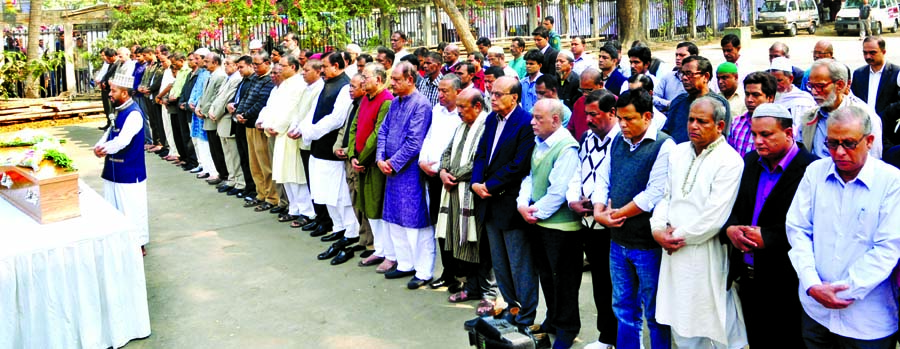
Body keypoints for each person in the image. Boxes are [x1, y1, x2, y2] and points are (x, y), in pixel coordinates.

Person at [787, 105, 900, 349]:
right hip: (816, 312)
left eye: (849, 143)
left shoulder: (891, 182)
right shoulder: (815, 172)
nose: (839, 152)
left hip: (867, 319)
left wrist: (841, 292)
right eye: (831, 143)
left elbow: (888, 248)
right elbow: (798, 230)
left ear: (869, 141)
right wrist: (812, 284)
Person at [650, 96, 748, 349]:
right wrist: (657, 229)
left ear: (719, 125)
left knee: (712, 313)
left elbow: (715, 216)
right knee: (680, 313)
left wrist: (676, 237)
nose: (693, 125)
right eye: (691, 119)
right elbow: (666, 196)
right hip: (672, 249)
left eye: (701, 121)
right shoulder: (678, 152)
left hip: (705, 250)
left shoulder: (730, 160)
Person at [721, 103, 817, 349]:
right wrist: (731, 229)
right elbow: (735, 208)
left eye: (766, 134)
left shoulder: (811, 169)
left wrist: (769, 237)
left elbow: (816, 227)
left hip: (787, 282)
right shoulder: (751, 161)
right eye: (754, 134)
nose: (758, 141)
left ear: (789, 133)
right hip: (750, 279)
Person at [590, 89, 674, 349]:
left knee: (655, 312)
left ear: (647, 116)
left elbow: (654, 193)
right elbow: (604, 177)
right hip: (618, 242)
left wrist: (616, 214)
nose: (623, 124)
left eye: (629, 119)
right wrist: (598, 210)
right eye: (620, 118)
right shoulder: (618, 141)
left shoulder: (664, 145)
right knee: (623, 308)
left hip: (647, 244)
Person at [471, 76, 537, 327]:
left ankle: (527, 314)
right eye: (492, 93)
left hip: (509, 202)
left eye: (499, 94)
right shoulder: (490, 119)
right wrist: (477, 182)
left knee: (519, 263)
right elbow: (481, 154)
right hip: (487, 201)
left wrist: (490, 185)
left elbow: (518, 165)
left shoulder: (525, 123)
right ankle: (511, 308)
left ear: (515, 97)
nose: (493, 97)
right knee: (500, 263)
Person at [517, 98, 581, 349]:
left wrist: (535, 212)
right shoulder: (540, 143)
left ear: (555, 120)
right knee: (547, 277)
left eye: (538, 118)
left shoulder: (566, 148)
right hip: (541, 223)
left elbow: (559, 192)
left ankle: (567, 328)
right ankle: (552, 320)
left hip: (562, 229)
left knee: (564, 281)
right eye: (533, 117)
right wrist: (523, 205)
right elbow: (530, 178)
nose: (532, 122)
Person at [376, 62, 435, 289]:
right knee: (394, 220)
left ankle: (423, 271)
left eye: (397, 80)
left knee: (415, 222)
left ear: (410, 79)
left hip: (409, 173)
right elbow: (383, 130)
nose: (393, 84)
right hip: (391, 170)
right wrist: (381, 158)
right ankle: (404, 263)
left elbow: (414, 143)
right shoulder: (395, 103)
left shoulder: (421, 105)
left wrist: (393, 162)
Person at [567, 89, 619, 349]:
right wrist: (572, 199)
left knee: (618, 286)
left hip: (612, 223)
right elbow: (579, 170)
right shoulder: (587, 137)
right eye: (586, 114)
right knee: (600, 283)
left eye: (594, 114)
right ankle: (606, 337)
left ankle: (624, 339)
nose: (587, 120)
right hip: (588, 223)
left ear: (612, 113)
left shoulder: (621, 139)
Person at [437, 88, 496, 313]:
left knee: (479, 245)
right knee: (463, 244)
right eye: (458, 107)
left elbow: (480, 161)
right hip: (454, 192)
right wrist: (443, 171)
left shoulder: (486, 126)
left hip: (474, 196)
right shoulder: (461, 126)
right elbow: (447, 151)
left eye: (463, 107)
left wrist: (454, 174)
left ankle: (489, 294)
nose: (459, 112)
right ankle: (471, 287)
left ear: (478, 107)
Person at [298, 53, 361, 262]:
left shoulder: (344, 86)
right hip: (318, 146)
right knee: (325, 191)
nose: (322, 70)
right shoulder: (326, 83)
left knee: (340, 194)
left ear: (336, 65)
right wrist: (305, 129)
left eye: (324, 66)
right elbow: (314, 110)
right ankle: (338, 226)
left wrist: (313, 132)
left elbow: (336, 118)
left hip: (331, 146)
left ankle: (350, 232)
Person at [94, 70, 149, 255]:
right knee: (113, 207)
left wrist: (105, 149)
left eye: (114, 91)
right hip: (113, 168)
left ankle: (138, 243)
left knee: (132, 208)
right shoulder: (119, 110)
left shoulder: (134, 114)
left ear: (124, 93)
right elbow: (110, 132)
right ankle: (119, 241)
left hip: (130, 169)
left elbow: (122, 141)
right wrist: (99, 145)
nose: (110, 94)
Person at [264, 55, 319, 233]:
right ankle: (294, 208)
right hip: (281, 133)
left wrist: (278, 126)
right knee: (285, 173)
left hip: (291, 133)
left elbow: (292, 110)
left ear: (293, 67)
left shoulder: (297, 85)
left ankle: (306, 211)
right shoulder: (285, 84)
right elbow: (274, 107)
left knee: (296, 174)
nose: (279, 68)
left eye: (283, 65)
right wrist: (269, 124)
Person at [421, 74, 463, 291]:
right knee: (440, 226)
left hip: (452, 179)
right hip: (433, 176)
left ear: (458, 91)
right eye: (439, 90)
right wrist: (422, 161)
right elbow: (428, 138)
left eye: (445, 91)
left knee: (455, 226)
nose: (440, 95)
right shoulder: (436, 111)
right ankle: (448, 272)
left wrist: (441, 168)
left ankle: (460, 274)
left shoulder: (463, 115)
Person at [350, 63, 395, 271]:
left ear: (378, 79)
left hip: (373, 163)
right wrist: (352, 154)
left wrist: (363, 158)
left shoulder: (386, 100)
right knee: (367, 205)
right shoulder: (364, 100)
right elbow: (354, 128)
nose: (362, 79)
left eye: (365, 76)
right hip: (360, 162)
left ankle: (389, 253)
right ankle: (379, 248)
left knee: (377, 205)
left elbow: (378, 135)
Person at [800, 59, 883, 159]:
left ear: (840, 85)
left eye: (820, 86)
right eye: (811, 86)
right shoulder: (809, 118)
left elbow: (874, 159)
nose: (813, 92)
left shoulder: (865, 116)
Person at [235, 52, 277, 208]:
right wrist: (239, 112)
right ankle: (261, 193)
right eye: (253, 64)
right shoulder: (254, 79)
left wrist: (245, 114)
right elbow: (246, 98)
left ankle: (271, 197)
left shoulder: (269, 80)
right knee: (254, 164)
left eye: (257, 64)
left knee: (265, 163)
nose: (254, 67)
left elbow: (261, 102)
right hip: (247, 125)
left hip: (258, 126)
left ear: (267, 63)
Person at [663, 55, 731, 143]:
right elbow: (666, 133)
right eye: (682, 74)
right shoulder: (678, 102)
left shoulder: (719, 104)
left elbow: (721, 138)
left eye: (689, 74)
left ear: (705, 76)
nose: (684, 78)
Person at [850, 36, 900, 147]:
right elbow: (853, 99)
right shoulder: (859, 74)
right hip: (863, 130)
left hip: (888, 132)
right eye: (865, 53)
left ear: (883, 52)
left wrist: (883, 117)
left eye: (872, 53)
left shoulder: (896, 73)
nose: (868, 56)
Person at [207, 55, 246, 197]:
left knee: (234, 154)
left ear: (236, 65)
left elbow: (226, 100)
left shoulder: (236, 79)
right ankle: (232, 179)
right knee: (227, 154)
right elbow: (218, 97)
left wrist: (215, 113)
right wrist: (212, 110)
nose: (226, 66)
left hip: (227, 119)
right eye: (225, 63)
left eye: (228, 63)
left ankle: (240, 182)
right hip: (220, 120)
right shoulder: (228, 78)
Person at [195, 52, 229, 186]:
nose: (205, 63)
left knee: (218, 148)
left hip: (213, 116)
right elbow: (204, 95)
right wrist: (198, 107)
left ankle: (224, 175)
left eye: (207, 61)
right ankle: (221, 174)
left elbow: (216, 98)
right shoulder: (210, 76)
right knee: (213, 148)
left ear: (215, 63)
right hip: (206, 116)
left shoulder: (220, 76)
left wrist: (204, 111)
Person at [729, 72, 778, 157]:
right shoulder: (736, 123)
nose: (749, 100)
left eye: (756, 95)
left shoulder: (779, 128)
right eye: (747, 94)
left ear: (770, 98)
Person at [770, 57, 817, 129]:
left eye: (779, 80)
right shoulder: (769, 97)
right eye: (772, 81)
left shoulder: (802, 101)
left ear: (791, 78)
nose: (776, 84)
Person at [566, 68, 604, 138]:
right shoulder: (579, 102)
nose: (585, 94)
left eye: (589, 90)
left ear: (601, 85)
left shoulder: (612, 102)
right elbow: (571, 129)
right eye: (582, 90)